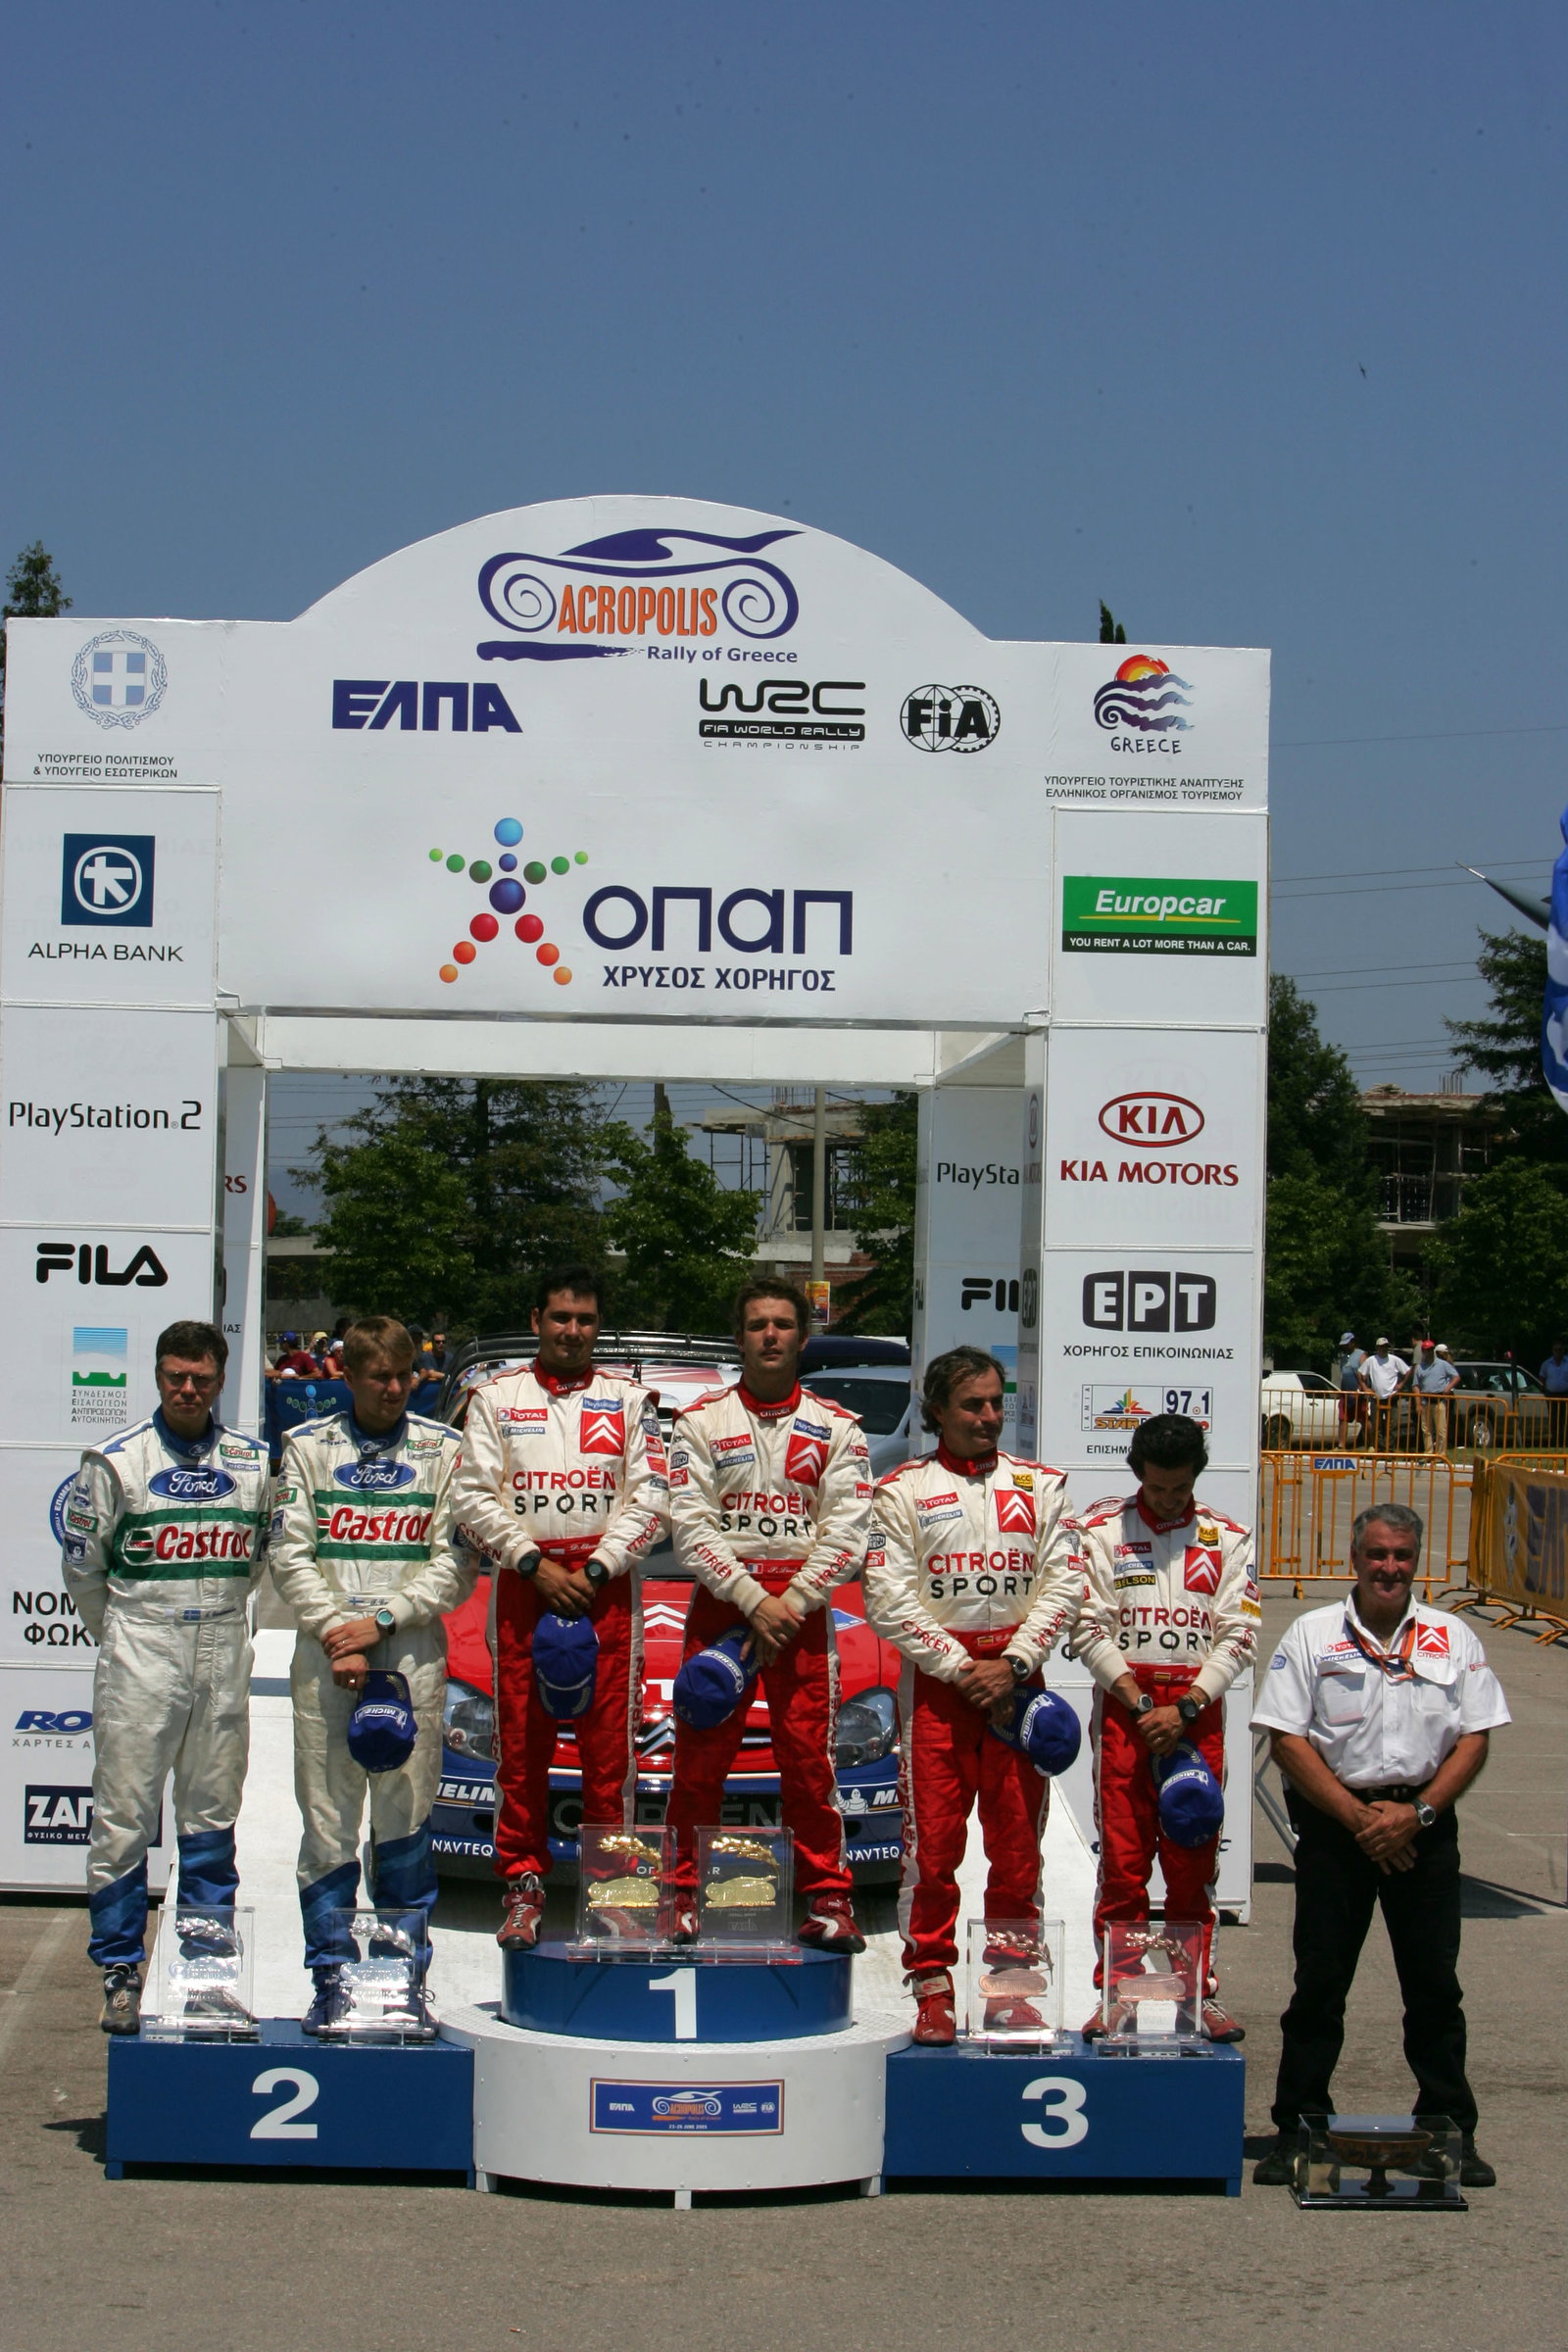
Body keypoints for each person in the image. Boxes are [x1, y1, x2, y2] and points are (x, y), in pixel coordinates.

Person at [1250, 1502, 1510, 2188]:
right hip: (1339, 1831)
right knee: (1319, 1988)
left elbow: (1475, 1736)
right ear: (1354, 1560)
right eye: (1376, 1555)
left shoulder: (1453, 1636)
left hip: (1423, 1827)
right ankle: (1297, 2127)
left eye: (1400, 1555)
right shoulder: (1311, 1635)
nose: (1388, 1567)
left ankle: (1450, 2128)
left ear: (1415, 1560)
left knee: (1433, 1991)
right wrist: (1361, 1820)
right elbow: (1286, 1737)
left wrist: (1416, 1815)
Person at [60, 1319, 272, 2034]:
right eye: (176, 1377)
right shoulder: (114, 1460)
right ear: (158, 1377)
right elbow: (84, 1571)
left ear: (220, 1380)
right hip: (142, 1646)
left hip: (220, 1641)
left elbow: (267, 1563)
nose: (188, 1389)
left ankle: (206, 1969)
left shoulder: (252, 1461)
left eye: (202, 1379)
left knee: (211, 1817)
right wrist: (125, 1637)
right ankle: (120, 1969)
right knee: (123, 1817)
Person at [864, 1347, 1079, 2044]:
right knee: (934, 1849)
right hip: (941, 1689)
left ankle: (1013, 1987)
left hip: (1018, 1690)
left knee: (1018, 1848)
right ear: (936, 1413)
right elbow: (887, 1598)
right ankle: (931, 1984)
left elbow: (1065, 1584)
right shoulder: (900, 1492)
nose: (989, 1417)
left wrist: (1013, 1663)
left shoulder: (1042, 1486)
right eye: (972, 1406)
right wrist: (963, 1668)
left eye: (996, 1403)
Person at [450, 1265, 669, 1949]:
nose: (572, 1331)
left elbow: (654, 1497)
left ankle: (614, 1895)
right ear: (537, 1320)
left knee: (610, 1760)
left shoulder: (631, 1400)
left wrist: (600, 1565)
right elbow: (472, 1497)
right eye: (560, 1317)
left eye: (585, 1320)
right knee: (521, 1753)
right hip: (523, 1589)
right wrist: (533, 1564)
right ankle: (522, 1887)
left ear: (598, 1327)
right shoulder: (493, 1397)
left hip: (607, 1593)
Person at [270, 1315, 469, 2033]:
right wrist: (336, 1633)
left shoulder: (445, 1451)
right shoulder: (304, 1450)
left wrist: (382, 1621)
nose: (392, 1388)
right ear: (347, 1377)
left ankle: (397, 1979)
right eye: (378, 1376)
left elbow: (457, 1562)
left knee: (405, 1820)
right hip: (330, 1659)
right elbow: (288, 1554)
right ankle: (330, 1977)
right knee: (327, 1822)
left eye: (403, 1375)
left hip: (409, 1648)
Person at [662, 1278, 872, 1950]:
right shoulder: (700, 1421)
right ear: (739, 1337)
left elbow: (848, 1533)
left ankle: (828, 1900)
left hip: (803, 1611)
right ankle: (680, 1897)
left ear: (804, 1338)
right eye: (758, 1325)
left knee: (809, 1761)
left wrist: (791, 1602)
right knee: (699, 1759)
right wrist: (755, 1602)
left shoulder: (839, 1427)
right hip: (725, 1603)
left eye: (783, 1324)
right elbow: (690, 1526)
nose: (771, 1335)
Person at [1071, 1413, 1257, 2040]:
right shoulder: (1100, 1532)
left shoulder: (1228, 1538)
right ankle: (1118, 1990)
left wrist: (1188, 1707)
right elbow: (1087, 1625)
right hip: (1128, 1711)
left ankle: (1194, 1995)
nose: (1170, 1499)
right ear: (1137, 1474)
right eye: (1157, 1489)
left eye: (1180, 1488)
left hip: (1195, 1715)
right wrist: (1138, 1700)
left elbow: (1240, 1634)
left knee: (1191, 1862)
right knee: (1123, 1865)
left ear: (1196, 1476)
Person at [1358, 1337, 1410, 1449]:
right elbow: (1360, 1373)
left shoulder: (1394, 1360)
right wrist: (1365, 1387)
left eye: (1386, 1347)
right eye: (1381, 1347)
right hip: (1376, 1397)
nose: (1384, 1349)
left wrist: (1401, 1385)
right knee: (1377, 1425)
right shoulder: (1371, 1360)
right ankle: (1379, 1448)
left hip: (1392, 1397)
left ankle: (1390, 1449)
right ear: (1377, 1348)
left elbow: (1407, 1371)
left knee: (1392, 1425)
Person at [1412, 1340, 1460, 1455]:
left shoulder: (1443, 1364)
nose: (1428, 1352)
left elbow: (1456, 1377)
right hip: (1425, 1401)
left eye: (1430, 1350)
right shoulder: (1420, 1367)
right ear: (1423, 1351)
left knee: (1441, 1430)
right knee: (1426, 1430)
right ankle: (1428, 1452)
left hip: (1439, 1400)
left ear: (1432, 1351)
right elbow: (1415, 1385)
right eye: (1425, 1350)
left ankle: (1440, 1454)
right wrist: (1418, 1403)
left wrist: (1448, 1388)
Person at [1336, 1332, 1365, 1442]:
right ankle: (1341, 1445)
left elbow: (1364, 1376)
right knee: (1342, 1419)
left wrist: (1359, 1390)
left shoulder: (1361, 1355)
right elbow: (1343, 1376)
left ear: (1353, 1342)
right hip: (1345, 1394)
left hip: (1359, 1394)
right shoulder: (1344, 1358)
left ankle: (1370, 1445)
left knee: (1364, 1420)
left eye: (1347, 1344)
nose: (1345, 1346)